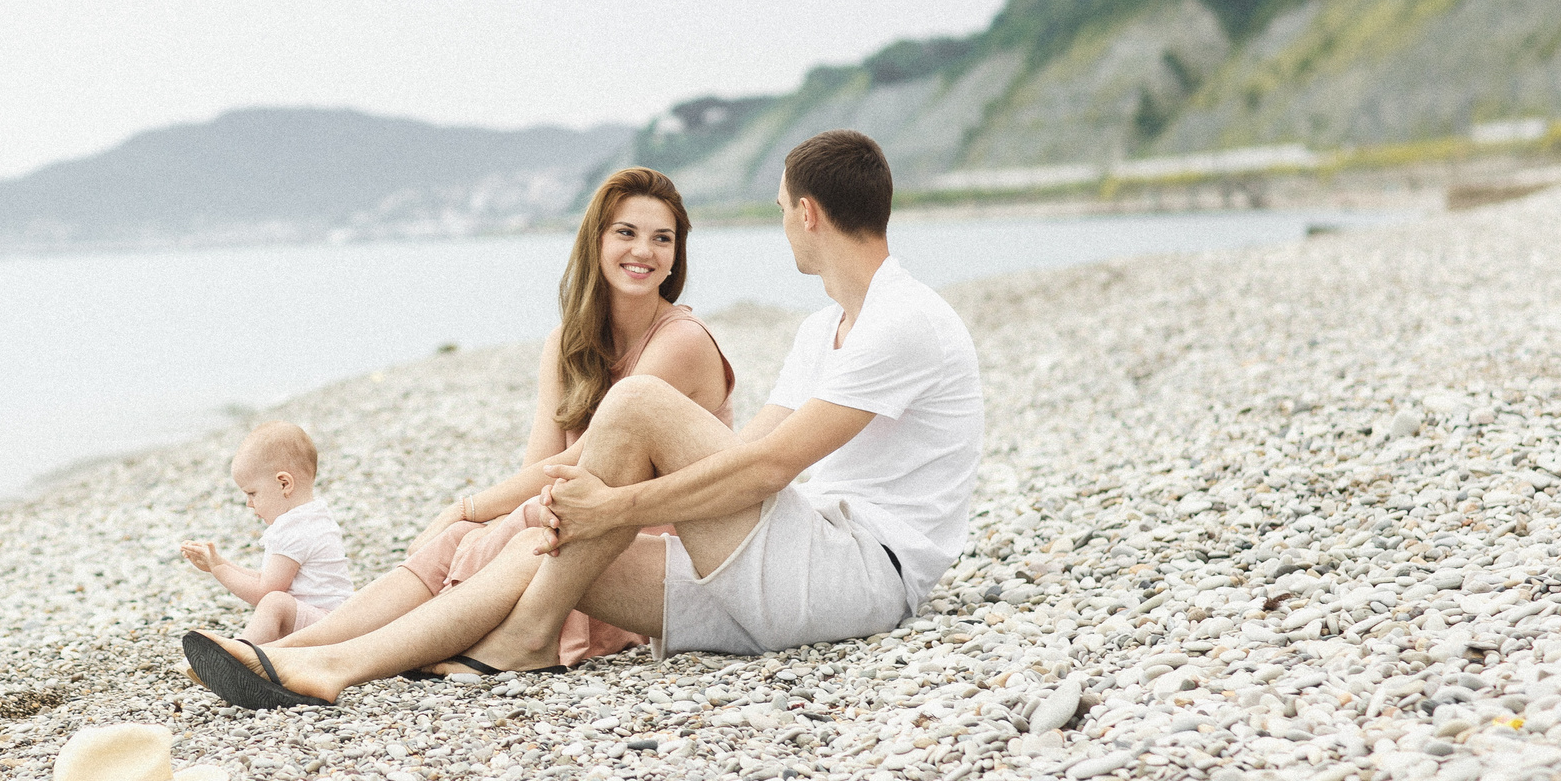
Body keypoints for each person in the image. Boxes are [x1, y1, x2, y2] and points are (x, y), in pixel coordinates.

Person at [180, 130, 979, 708]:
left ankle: (508, 643)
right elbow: (752, 450)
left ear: (808, 213)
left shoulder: (901, 319)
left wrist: (619, 505)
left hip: (864, 575)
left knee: (619, 423)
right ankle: (323, 662)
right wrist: (592, 514)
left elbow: (768, 471)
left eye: (778, 211)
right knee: (547, 549)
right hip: (796, 562)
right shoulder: (823, 328)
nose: (780, 227)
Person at [251, 167, 733, 674]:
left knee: (485, 530)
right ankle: (289, 653)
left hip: (644, 556)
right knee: (472, 536)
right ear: (595, 241)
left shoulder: (681, 341)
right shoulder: (567, 342)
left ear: (677, 254)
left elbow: (581, 459)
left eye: (663, 239)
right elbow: (541, 463)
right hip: (577, 531)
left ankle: (328, 655)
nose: (645, 252)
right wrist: (474, 522)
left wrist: (464, 507)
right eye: (626, 233)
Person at [179, 421, 355, 642]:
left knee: (274, 603)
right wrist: (219, 562)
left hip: (329, 628)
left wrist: (218, 570)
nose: (248, 504)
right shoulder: (312, 517)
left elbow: (263, 592)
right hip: (333, 623)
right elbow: (267, 579)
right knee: (276, 602)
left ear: (283, 484)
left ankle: (240, 659)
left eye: (252, 493)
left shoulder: (294, 529)